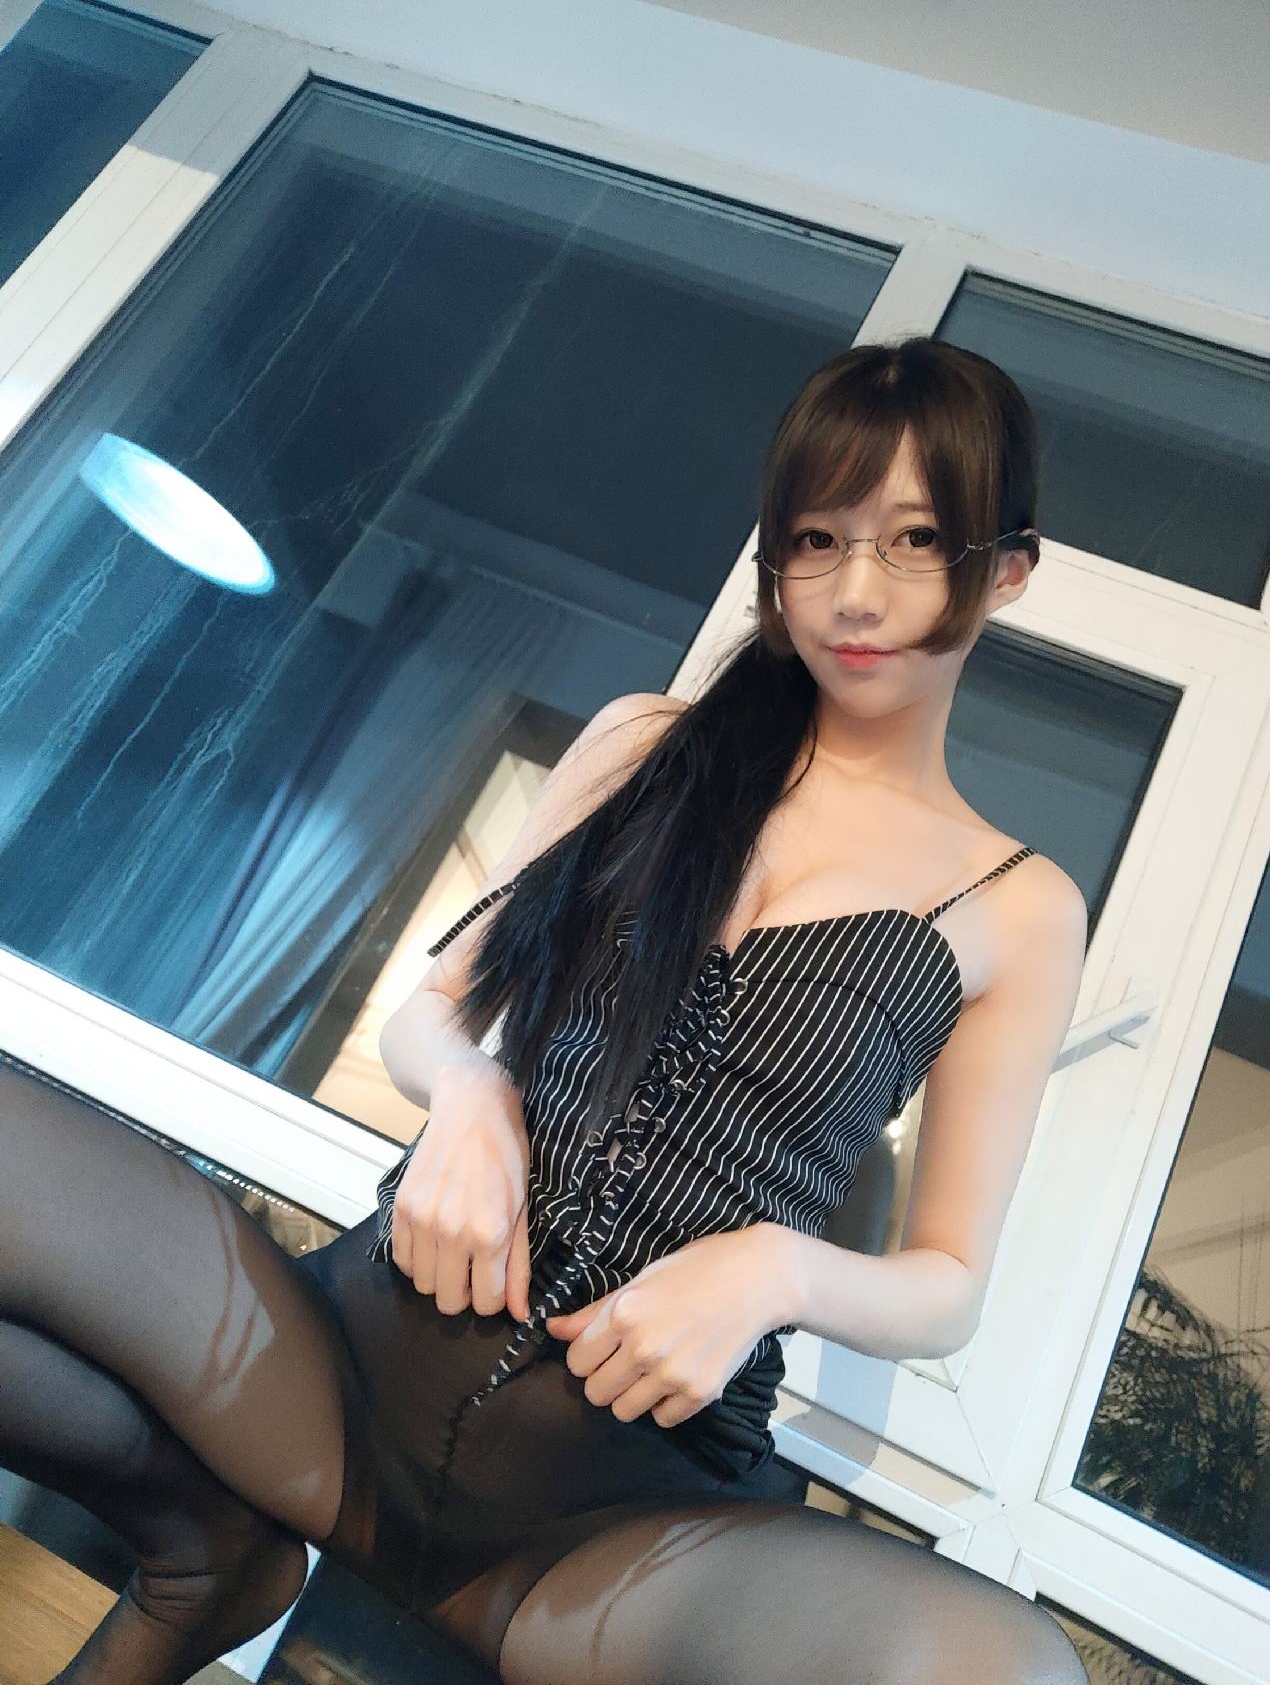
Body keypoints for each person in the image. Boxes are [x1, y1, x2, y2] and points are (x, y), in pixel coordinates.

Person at [0, 336, 1089, 1685]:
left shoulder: (1019, 907)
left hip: (618, 1525)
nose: (855, 593)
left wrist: (778, 1270)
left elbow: (949, 1286)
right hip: (335, 1371)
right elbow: (432, 1010)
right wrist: (469, 1094)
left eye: (916, 541)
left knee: (999, 1667)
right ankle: (209, 1550)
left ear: (1008, 568)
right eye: (818, 539)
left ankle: (210, 1554)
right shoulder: (647, 746)